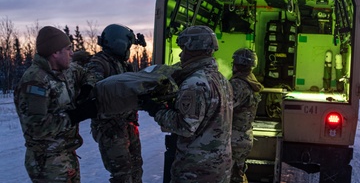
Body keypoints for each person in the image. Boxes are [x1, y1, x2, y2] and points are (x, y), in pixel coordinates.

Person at [141, 25, 234, 183]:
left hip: (196, 171)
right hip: (219, 167)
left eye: (183, 49)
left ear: (193, 48)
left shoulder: (194, 83)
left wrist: (156, 109)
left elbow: (185, 126)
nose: (181, 55)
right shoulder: (222, 80)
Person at [14, 26, 97, 183]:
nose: (72, 53)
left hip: (66, 155)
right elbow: (36, 127)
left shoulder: (66, 70)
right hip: (47, 163)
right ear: (55, 52)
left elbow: (88, 73)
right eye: (68, 49)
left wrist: (87, 87)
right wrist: (76, 115)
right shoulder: (35, 82)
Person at [85, 24, 143, 183]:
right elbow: (91, 88)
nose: (129, 50)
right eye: (128, 46)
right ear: (119, 44)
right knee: (122, 174)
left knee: (136, 168)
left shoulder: (123, 64)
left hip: (128, 124)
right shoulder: (99, 63)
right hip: (111, 129)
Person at [229, 48, 264, 183]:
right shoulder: (251, 81)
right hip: (243, 136)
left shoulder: (238, 84)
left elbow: (224, 109)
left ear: (236, 64)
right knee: (237, 172)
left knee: (231, 176)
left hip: (234, 138)